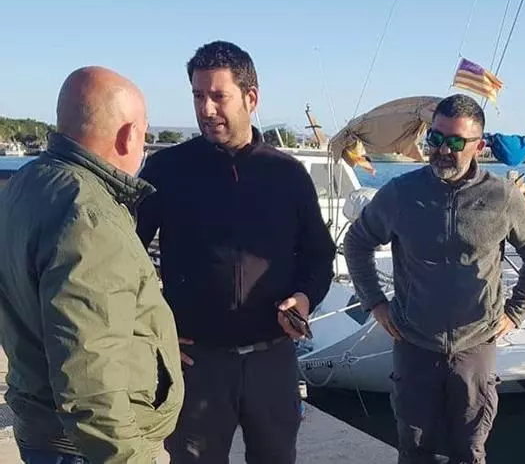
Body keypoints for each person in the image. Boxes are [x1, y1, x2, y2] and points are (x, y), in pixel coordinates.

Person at [135, 41, 336, 463]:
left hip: (273, 361)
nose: (206, 109)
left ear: (251, 97)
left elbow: (319, 256)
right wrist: (150, 330)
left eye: (218, 96)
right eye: (197, 95)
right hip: (197, 364)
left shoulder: (287, 174)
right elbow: (124, 257)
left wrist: (304, 298)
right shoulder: (166, 170)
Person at [344, 93, 525, 464]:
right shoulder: (401, 194)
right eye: (436, 138)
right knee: (414, 447)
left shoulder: (501, 197)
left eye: (456, 142)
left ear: (479, 146)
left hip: (475, 346)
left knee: (470, 450)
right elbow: (357, 242)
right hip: (414, 344)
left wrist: (515, 312)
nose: (442, 150)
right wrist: (375, 302)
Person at [0, 66, 184, 464]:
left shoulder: (27, 184)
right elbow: (90, 374)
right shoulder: (90, 217)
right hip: (89, 449)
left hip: (42, 426)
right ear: (128, 135)